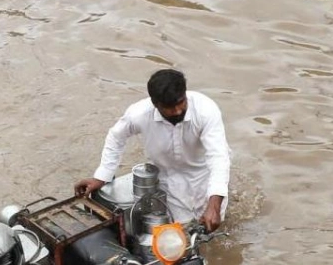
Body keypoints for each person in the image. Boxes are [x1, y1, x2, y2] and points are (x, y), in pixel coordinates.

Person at [74, 69, 230, 232]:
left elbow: (218, 158)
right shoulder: (139, 114)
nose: (177, 110)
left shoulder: (206, 111)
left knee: (212, 228)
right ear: (155, 104)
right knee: (178, 234)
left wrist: (214, 204)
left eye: (181, 102)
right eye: (169, 107)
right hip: (166, 179)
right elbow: (116, 137)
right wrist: (102, 176)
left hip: (203, 175)